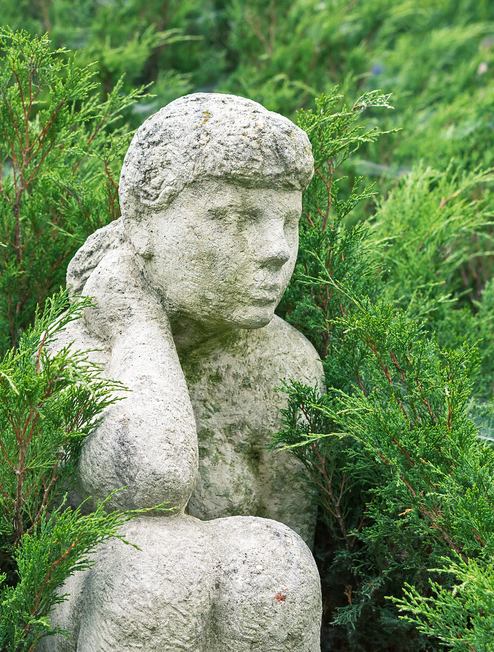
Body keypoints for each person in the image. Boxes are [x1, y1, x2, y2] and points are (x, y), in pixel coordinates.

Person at [39, 93, 323, 652]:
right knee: (159, 559)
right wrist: (136, 323)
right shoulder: (76, 348)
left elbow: (295, 543)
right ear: (143, 226)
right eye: (233, 217)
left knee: (272, 558)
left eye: (287, 221)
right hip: (92, 614)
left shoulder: (288, 364)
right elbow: (152, 478)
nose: (274, 251)